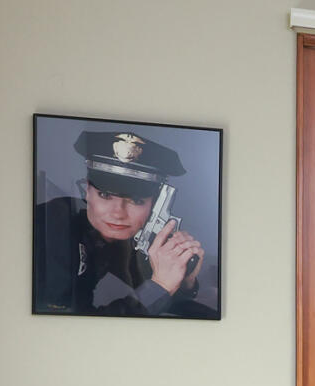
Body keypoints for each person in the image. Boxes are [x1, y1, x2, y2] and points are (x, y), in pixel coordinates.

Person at [34, 127, 218, 317]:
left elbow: (153, 301)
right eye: (105, 195)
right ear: (87, 190)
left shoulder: (126, 239)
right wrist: (160, 286)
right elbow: (72, 324)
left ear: (153, 205)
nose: (118, 213)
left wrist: (183, 280)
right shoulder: (54, 225)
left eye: (136, 200)